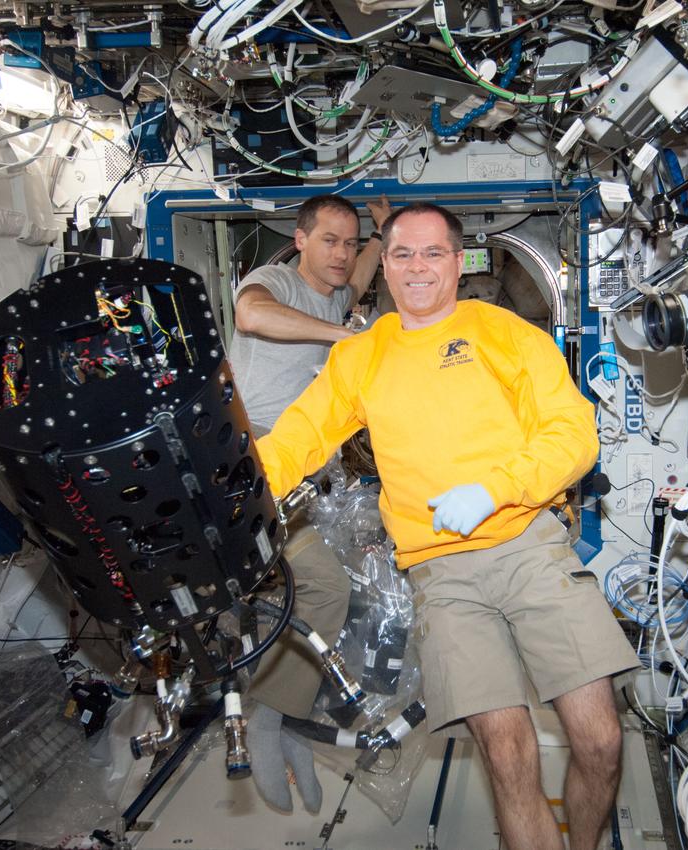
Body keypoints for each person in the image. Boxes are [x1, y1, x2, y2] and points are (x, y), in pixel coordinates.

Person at [257, 202, 640, 850]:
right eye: (401, 253)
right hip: (440, 571)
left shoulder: (509, 335)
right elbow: (296, 439)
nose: (416, 267)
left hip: (529, 543)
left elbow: (573, 433)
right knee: (506, 750)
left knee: (601, 739)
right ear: (384, 266)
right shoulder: (362, 356)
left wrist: (496, 488)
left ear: (460, 263)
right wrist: (226, 502)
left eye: (433, 253)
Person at [231, 193, 390, 815]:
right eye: (329, 241)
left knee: (328, 592)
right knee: (320, 588)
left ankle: (290, 714)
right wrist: (345, 339)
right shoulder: (275, 282)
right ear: (299, 240)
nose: (341, 254)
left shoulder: (336, 289)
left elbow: (361, 277)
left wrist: (379, 234)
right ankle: (270, 719)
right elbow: (251, 317)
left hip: (309, 474)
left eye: (348, 244)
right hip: (256, 464)